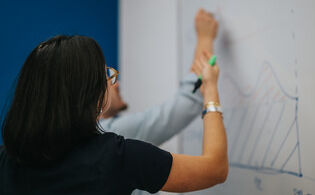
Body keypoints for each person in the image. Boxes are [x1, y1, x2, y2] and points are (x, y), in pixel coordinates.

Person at [0, 35, 228, 194]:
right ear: (88, 94)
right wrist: (210, 91)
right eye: (106, 75)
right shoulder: (117, 157)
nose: (112, 81)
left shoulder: (6, 160)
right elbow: (215, 168)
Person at [98, 9, 218, 146]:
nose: (117, 84)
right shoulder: (108, 133)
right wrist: (205, 38)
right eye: (108, 79)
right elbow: (189, 100)